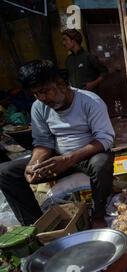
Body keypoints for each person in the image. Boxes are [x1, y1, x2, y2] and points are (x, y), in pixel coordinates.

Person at [0, 60, 115, 228]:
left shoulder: (90, 101)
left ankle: (98, 215)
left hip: (88, 155)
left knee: (101, 162)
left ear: (61, 84)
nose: (42, 98)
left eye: (44, 91)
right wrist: (34, 164)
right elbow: (43, 143)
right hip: (57, 159)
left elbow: (105, 139)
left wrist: (68, 159)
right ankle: (37, 225)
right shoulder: (38, 107)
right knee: (5, 172)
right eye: (36, 94)